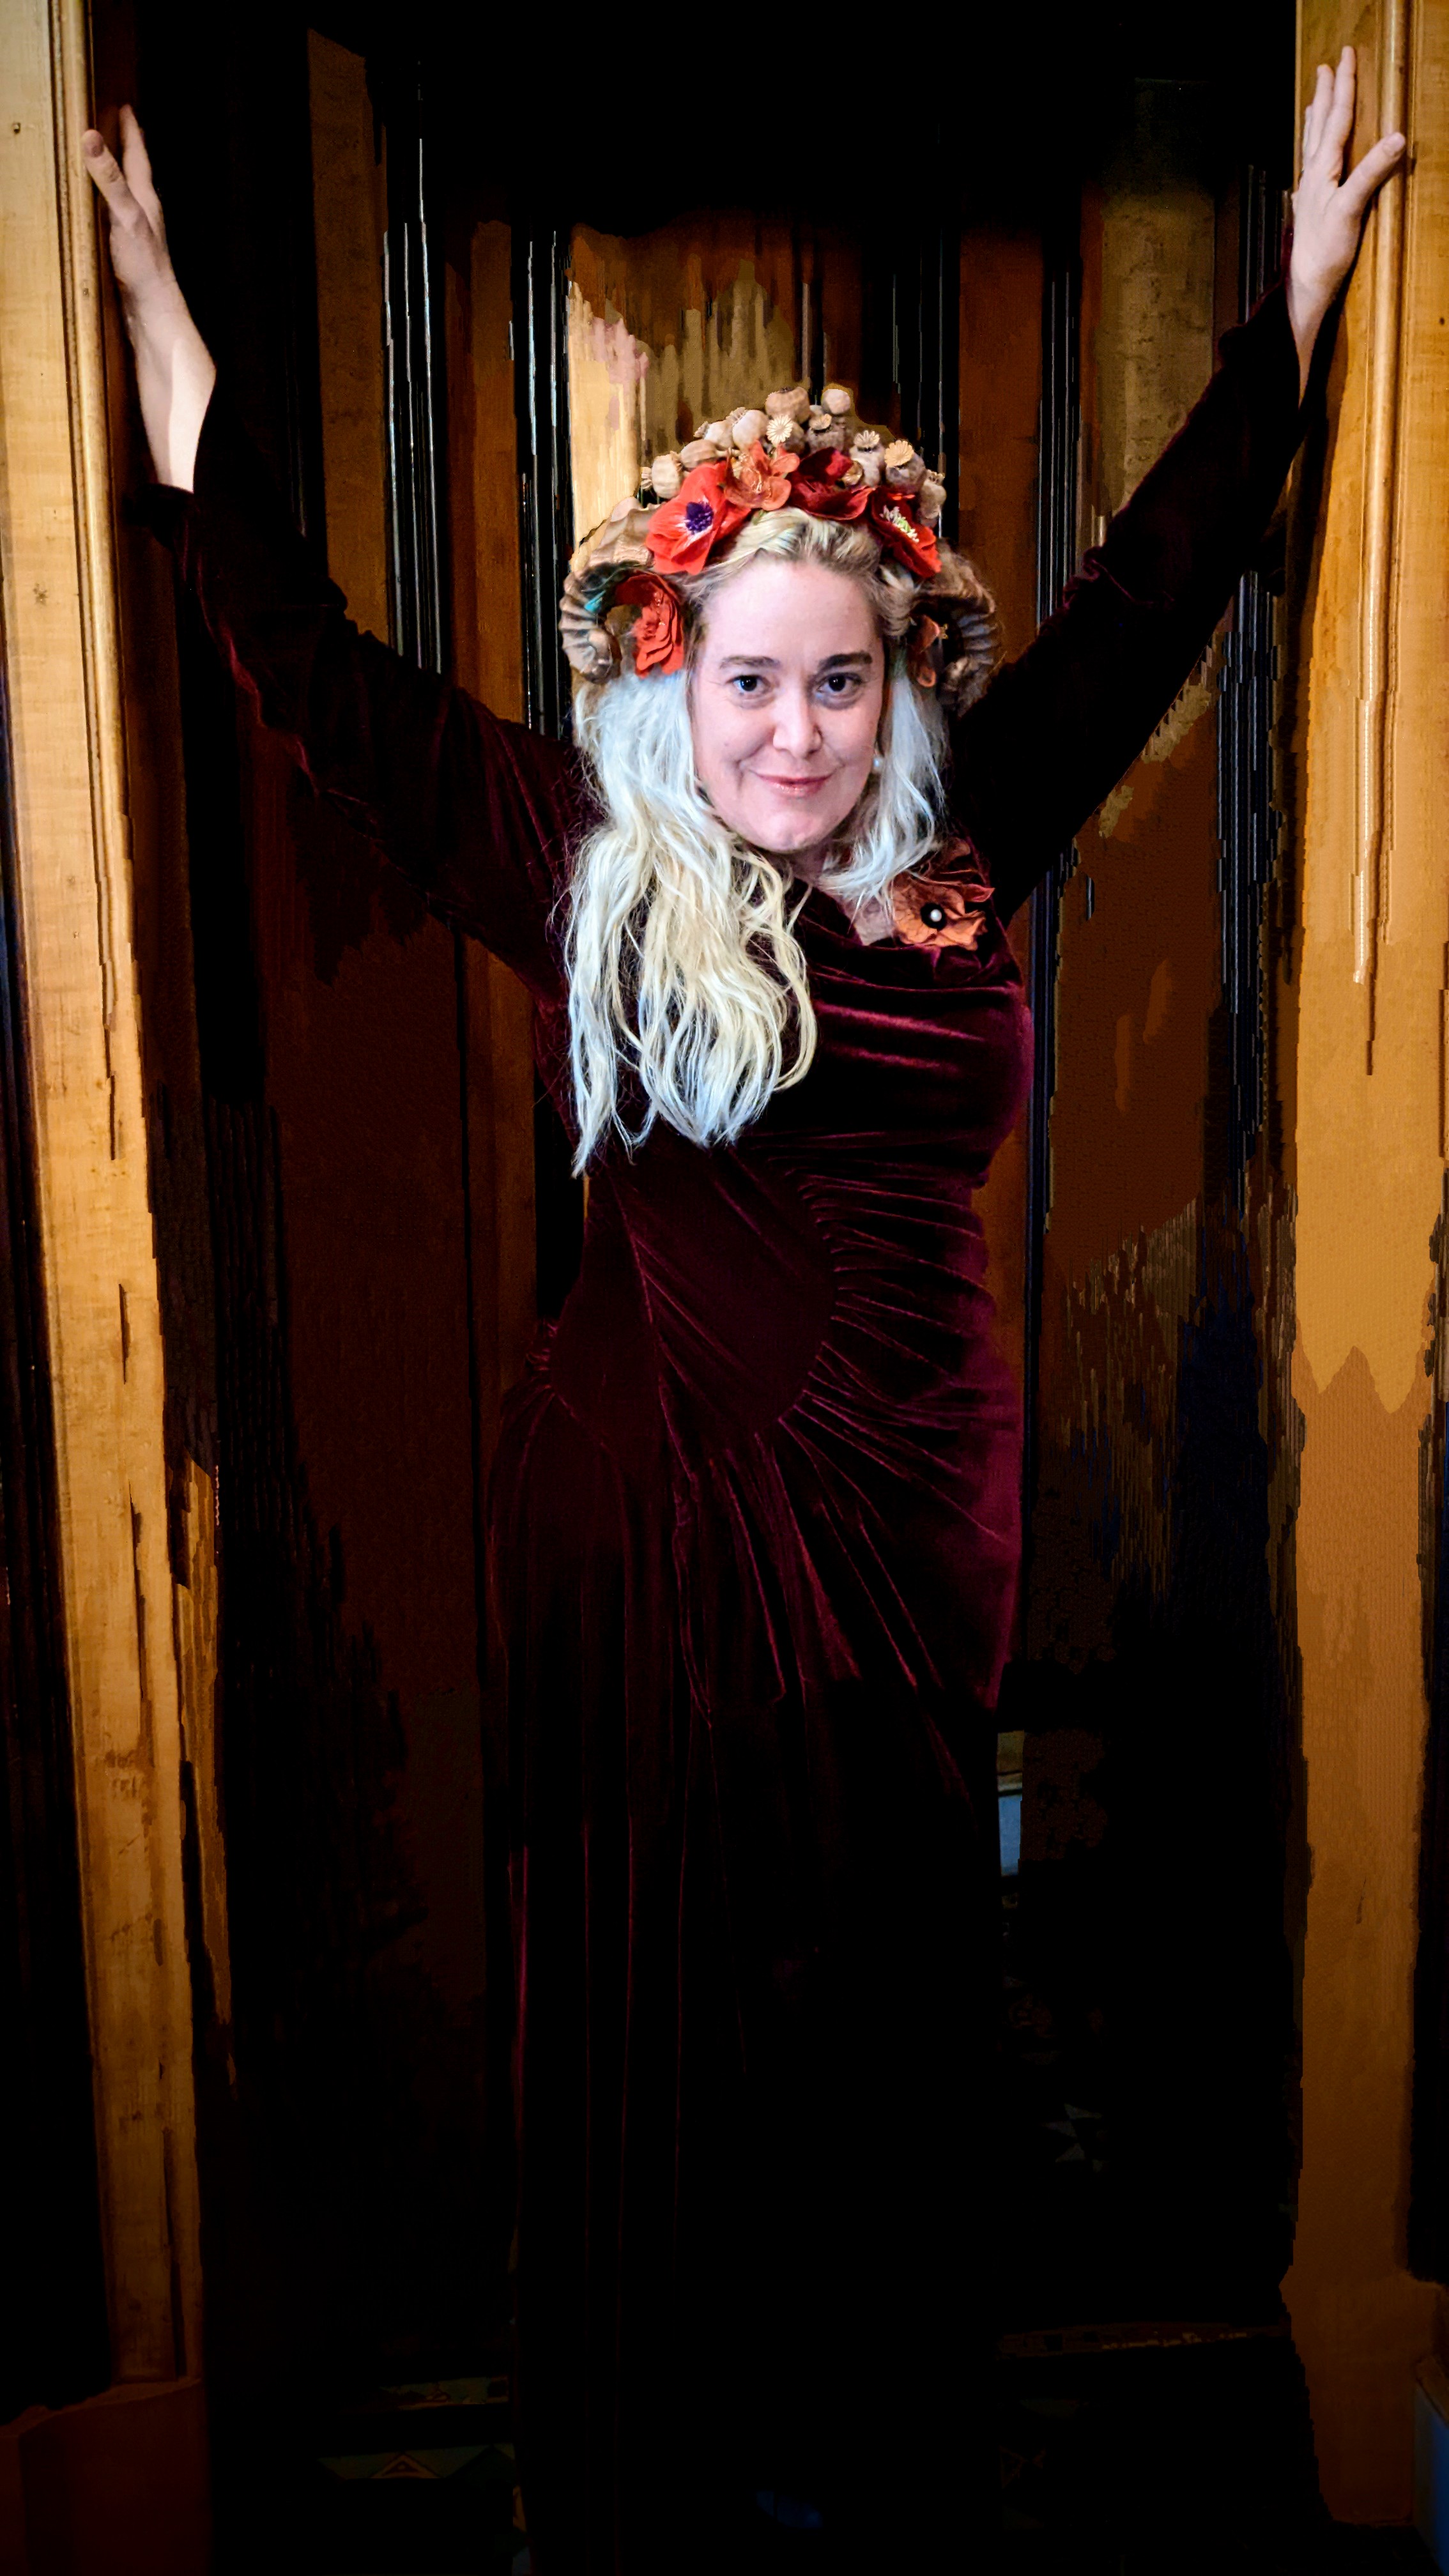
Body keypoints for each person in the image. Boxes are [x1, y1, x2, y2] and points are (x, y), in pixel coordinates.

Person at [86, 53, 1403, 2573]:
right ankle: (647, 2490)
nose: (795, 732)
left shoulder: (958, 854)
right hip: (653, 1522)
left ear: (903, 682)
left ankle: (867, 2472)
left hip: (910, 1536)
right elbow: (316, 675)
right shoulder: (584, 858)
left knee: (882, 2022)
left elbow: (1143, 611)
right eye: (749, 681)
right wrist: (174, 361)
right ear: (672, 680)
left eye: (842, 680)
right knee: (666, 2011)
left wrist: (1298, 315)